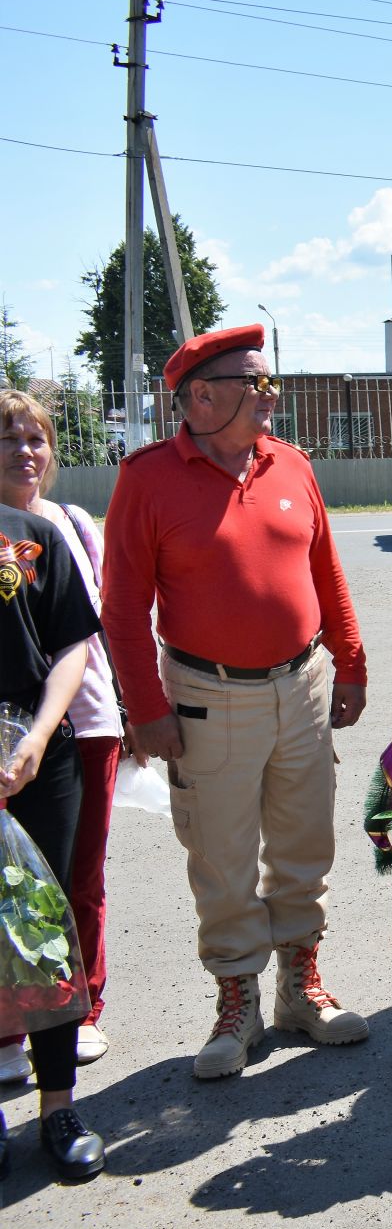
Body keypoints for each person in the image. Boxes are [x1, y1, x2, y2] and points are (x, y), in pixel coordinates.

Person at [103, 324, 370, 1081]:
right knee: (220, 859)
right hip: (204, 698)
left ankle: (300, 991)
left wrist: (348, 660)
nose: (271, 396)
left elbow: (327, 571)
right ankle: (236, 1004)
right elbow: (122, 611)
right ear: (201, 397)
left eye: (268, 380)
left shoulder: (291, 464)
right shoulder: (147, 479)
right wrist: (146, 709)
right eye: (255, 384)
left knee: (304, 845)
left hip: (303, 686)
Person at [0, 394, 119, 1081]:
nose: (26, 451)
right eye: (10, 438)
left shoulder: (68, 526)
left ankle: (78, 1011)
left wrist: (130, 712)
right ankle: (10, 1030)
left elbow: (96, 628)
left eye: (37, 438)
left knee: (77, 880)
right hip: (25, 735)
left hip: (82, 726)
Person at [0, 490, 108, 1179]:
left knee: (42, 925)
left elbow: (72, 644)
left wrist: (35, 737)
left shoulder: (33, 535)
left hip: (38, 752)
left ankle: (58, 1107)